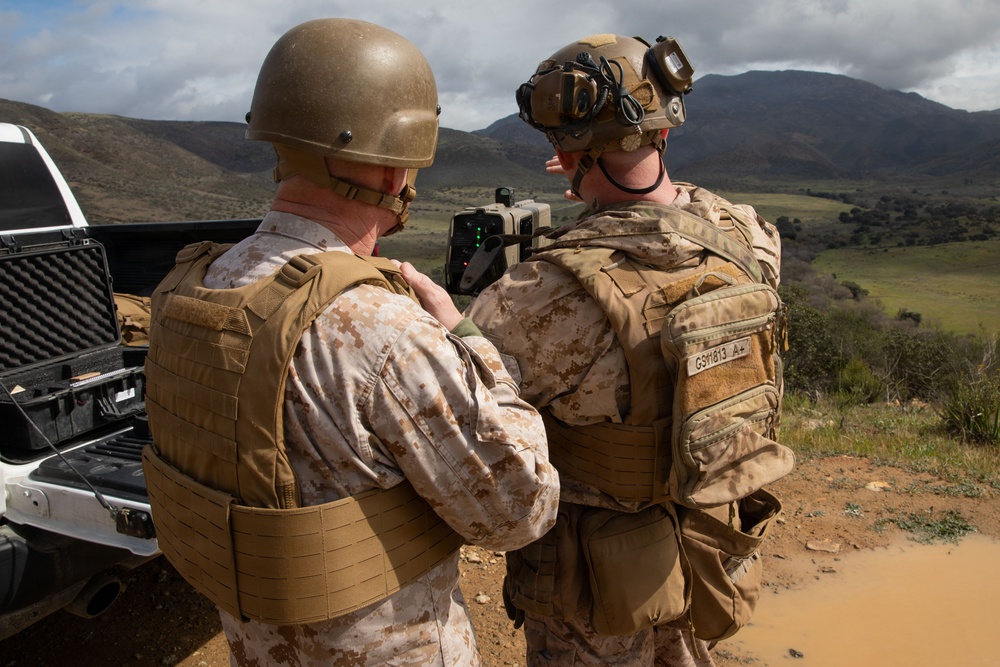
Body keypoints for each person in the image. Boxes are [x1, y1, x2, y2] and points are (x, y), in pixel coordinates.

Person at [141, 18, 559, 666]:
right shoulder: (387, 333)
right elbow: (521, 506)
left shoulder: (186, 288)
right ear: (396, 171)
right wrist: (471, 343)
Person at [467, 33, 787, 666]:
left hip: (598, 585)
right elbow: (675, 212)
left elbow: (470, 398)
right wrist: (606, 172)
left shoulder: (539, 294)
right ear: (665, 128)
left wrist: (452, 318)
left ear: (565, 145)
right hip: (707, 536)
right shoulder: (748, 236)